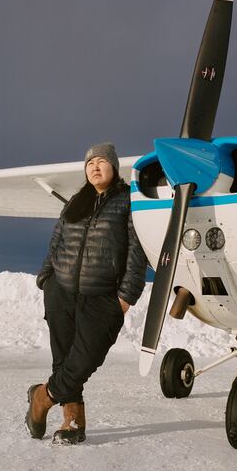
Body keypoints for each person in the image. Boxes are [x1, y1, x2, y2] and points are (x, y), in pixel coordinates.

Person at [25, 142, 147, 445]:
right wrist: (46, 280)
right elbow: (56, 241)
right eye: (90, 162)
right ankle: (73, 423)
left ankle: (42, 398)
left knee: (84, 359)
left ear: (114, 168)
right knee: (64, 359)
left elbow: (137, 252)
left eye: (102, 161)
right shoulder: (75, 202)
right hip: (61, 292)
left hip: (103, 297)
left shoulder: (128, 202)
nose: (95, 166)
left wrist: (125, 298)